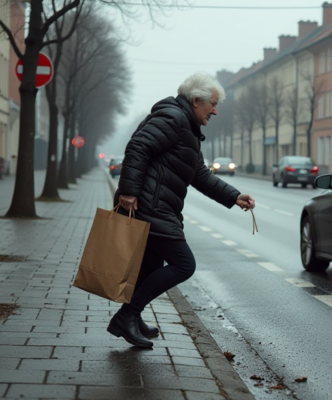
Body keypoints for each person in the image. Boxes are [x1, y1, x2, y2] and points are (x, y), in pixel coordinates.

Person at [107, 73, 256, 348]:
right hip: (151, 206)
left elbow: (199, 174)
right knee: (184, 264)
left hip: (159, 206)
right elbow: (138, 147)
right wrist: (128, 191)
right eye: (212, 103)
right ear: (196, 100)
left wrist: (234, 196)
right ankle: (126, 316)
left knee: (151, 266)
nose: (215, 110)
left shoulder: (187, 127)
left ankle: (132, 318)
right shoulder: (174, 119)